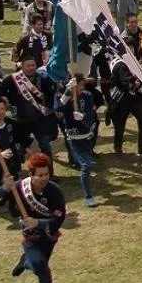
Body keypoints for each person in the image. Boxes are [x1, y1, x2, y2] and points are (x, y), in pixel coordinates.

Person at [0, 153, 68, 283]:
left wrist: (39, 222)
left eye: (47, 174)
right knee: (43, 273)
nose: (45, 178)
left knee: (38, 266)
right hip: (30, 239)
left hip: (48, 238)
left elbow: (59, 219)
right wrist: (4, 189)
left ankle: (26, 262)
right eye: (40, 175)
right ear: (31, 174)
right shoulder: (19, 188)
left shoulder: (55, 192)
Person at [57, 74, 99, 207]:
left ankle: (85, 183)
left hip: (87, 136)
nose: (80, 87)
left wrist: (83, 116)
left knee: (88, 162)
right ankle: (88, 196)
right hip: (74, 138)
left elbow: (92, 114)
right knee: (86, 166)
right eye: (78, 85)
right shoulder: (66, 97)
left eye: (81, 84)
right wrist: (66, 94)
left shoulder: (87, 96)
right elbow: (58, 109)